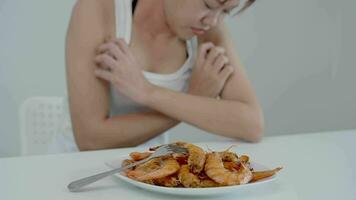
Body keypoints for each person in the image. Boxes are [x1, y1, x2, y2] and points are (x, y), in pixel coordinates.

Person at [50, 0, 264, 153]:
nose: (213, 20)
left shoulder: (207, 28)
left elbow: (251, 124)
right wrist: (192, 100)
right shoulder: (99, 8)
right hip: (76, 169)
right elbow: (90, 139)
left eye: (227, 11)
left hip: (148, 169)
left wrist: (149, 93)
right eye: (209, 5)